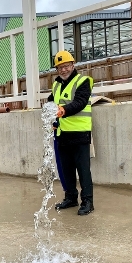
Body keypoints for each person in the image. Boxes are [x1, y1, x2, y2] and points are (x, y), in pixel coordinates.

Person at [48, 50, 94, 216]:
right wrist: (49, 112)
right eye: (60, 67)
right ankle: (71, 197)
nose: (63, 70)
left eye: (66, 66)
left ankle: (88, 201)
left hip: (80, 134)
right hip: (62, 134)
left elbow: (80, 103)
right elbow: (51, 101)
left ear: (73, 65)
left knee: (83, 170)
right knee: (66, 169)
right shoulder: (56, 84)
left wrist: (63, 110)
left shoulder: (83, 81)